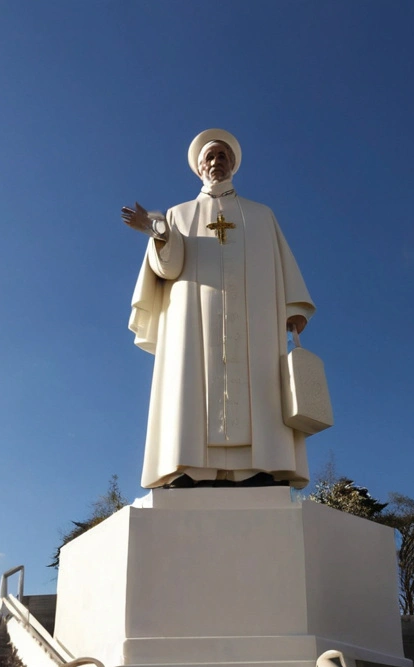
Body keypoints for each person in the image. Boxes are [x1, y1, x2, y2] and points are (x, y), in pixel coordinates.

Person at [122, 129, 316, 489]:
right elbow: (169, 268)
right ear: (199, 168)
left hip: (254, 316)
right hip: (192, 317)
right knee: (190, 379)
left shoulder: (261, 215)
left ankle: (260, 466)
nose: (216, 162)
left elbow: (281, 261)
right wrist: (158, 232)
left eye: (222, 155)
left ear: (233, 164)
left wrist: (292, 304)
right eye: (209, 157)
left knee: (260, 381)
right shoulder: (178, 214)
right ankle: (190, 468)